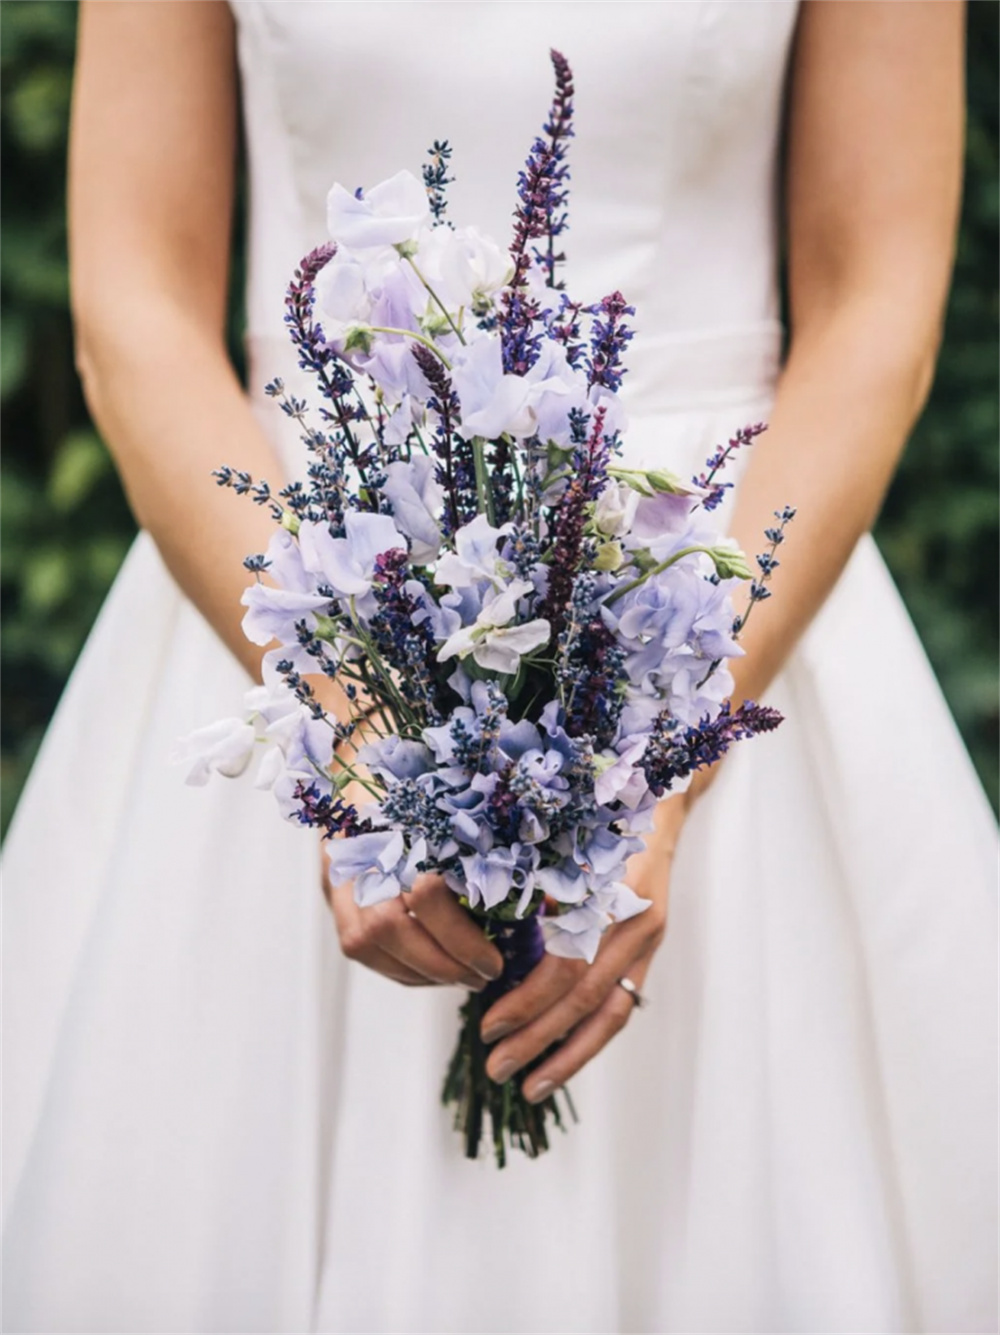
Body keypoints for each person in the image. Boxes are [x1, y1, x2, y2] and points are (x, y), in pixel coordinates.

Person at [3, 2, 996, 1331]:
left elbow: (877, 305)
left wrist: (663, 757)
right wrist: (364, 721)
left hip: (711, 572)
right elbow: (133, 308)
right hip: (299, 564)